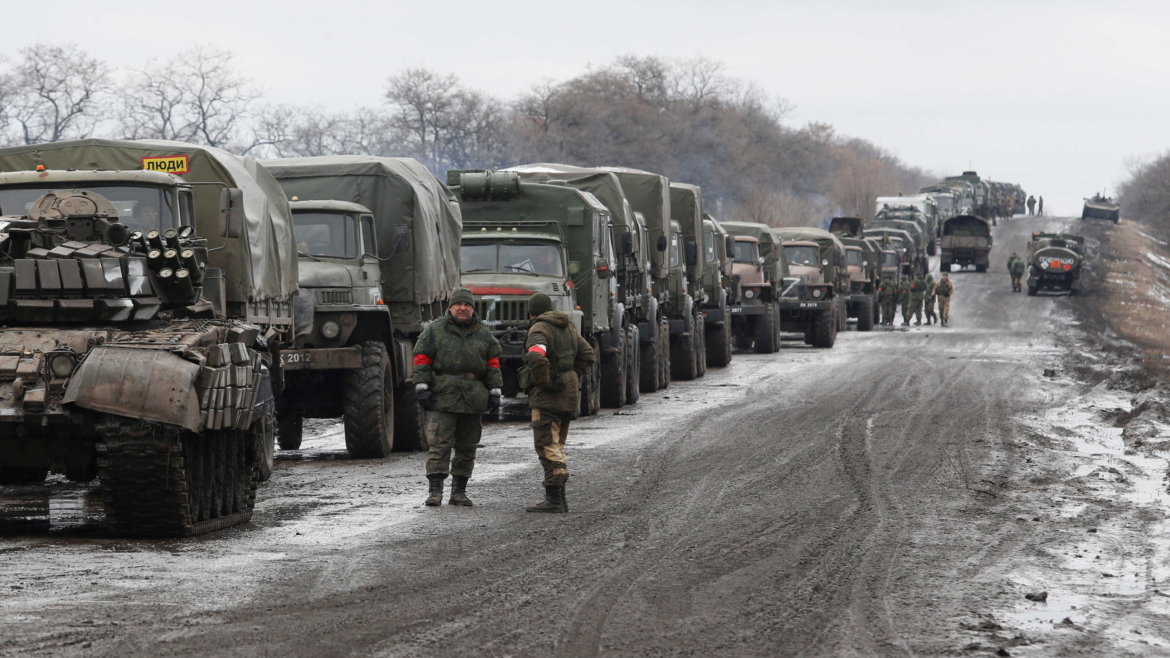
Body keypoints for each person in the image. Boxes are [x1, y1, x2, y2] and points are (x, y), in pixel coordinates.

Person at [413, 288, 503, 507]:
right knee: (439, 445)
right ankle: (435, 492)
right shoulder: (434, 331)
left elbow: (492, 364)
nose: (463, 308)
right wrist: (422, 388)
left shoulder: (484, 334)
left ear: (472, 308)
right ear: (450, 307)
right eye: (459, 305)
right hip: (443, 396)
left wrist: (495, 392)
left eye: (468, 305)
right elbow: (422, 359)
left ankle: (459, 493)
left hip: (473, 398)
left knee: (467, 446)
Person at [522, 292, 596, 513]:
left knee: (546, 445)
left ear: (531, 313)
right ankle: (560, 499)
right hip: (569, 393)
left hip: (549, 395)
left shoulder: (539, 329)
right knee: (557, 444)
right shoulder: (568, 327)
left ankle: (554, 499)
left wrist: (543, 382)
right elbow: (588, 354)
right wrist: (572, 375)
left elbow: (536, 356)